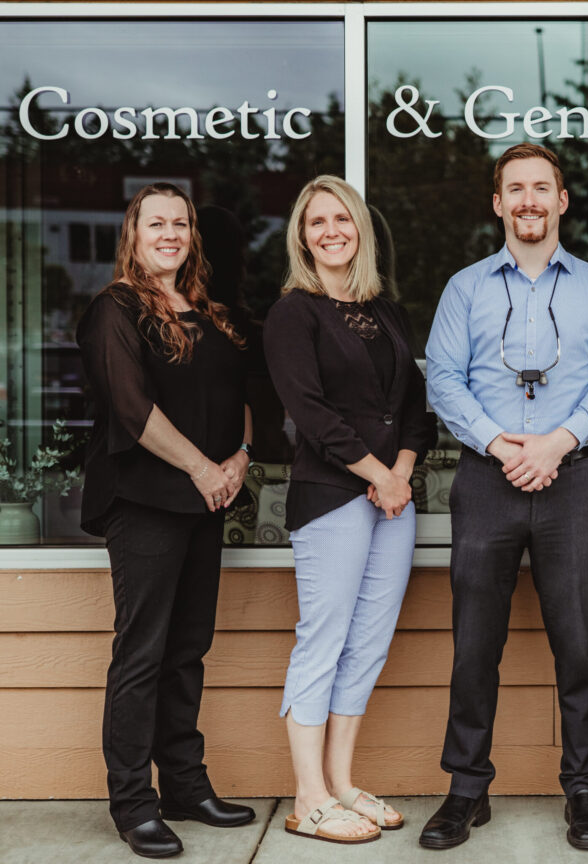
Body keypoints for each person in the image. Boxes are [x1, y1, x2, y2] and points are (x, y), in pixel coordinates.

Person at [421, 143, 588, 851]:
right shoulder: (466, 288)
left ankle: (583, 786)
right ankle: (466, 787)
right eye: (515, 189)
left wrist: (558, 442)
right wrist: (499, 443)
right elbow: (444, 380)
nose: (528, 201)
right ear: (498, 204)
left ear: (562, 200)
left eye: (541, 188)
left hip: (572, 478)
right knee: (474, 644)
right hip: (487, 478)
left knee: (577, 642)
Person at [77, 182, 255, 859]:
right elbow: (132, 409)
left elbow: (238, 394)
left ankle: (185, 785)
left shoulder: (209, 311)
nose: (170, 233)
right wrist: (204, 469)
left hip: (205, 503)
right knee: (143, 652)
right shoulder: (114, 310)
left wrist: (238, 457)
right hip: (146, 500)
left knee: (187, 651)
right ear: (134, 232)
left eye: (180, 223)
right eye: (157, 223)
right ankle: (133, 801)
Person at [263, 176, 435, 845]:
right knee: (325, 637)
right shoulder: (293, 313)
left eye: (342, 219)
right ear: (302, 238)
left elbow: (416, 406)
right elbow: (310, 413)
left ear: (360, 227)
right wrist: (375, 474)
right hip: (333, 496)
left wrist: (401, 474)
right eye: (316, 223)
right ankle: (307, 798)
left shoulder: (383, 309)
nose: (331, 231)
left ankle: (340, 782)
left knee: (367, 643)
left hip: (391, 496)